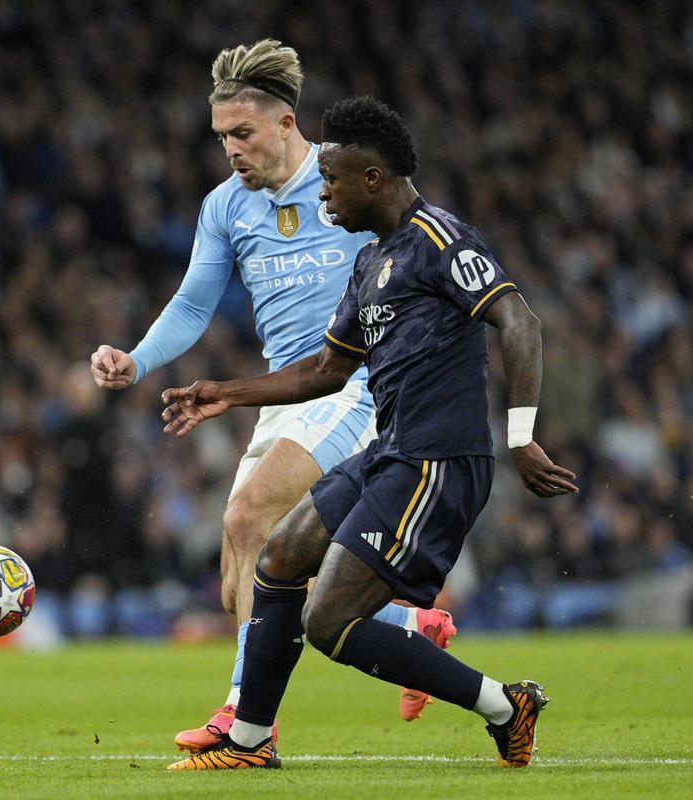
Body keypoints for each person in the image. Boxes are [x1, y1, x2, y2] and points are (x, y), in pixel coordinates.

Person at [161, 96, 577, 770]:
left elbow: (519, 321)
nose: (323, 192)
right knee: (279, 558)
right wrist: (226, 393)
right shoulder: (370, 263)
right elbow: (325, 370)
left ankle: (505, 705)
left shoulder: (440, 239)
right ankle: (249, 740)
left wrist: (521, 436)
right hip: (391, 452)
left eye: (331, 179)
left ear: (373, 178)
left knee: (329, 621)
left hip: (437, 462)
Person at [89, 39, 455, 751]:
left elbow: (418, 252)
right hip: (285, 393)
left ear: (287, 123)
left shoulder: (346, 182)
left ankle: (246, 720)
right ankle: (412, 626)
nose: (231, 149)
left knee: (249, 515)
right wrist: (136, 360)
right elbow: (193, 303)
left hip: (357, 384)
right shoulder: (225, 206)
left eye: (243, 133)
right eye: (221, 136)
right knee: (247, 583)